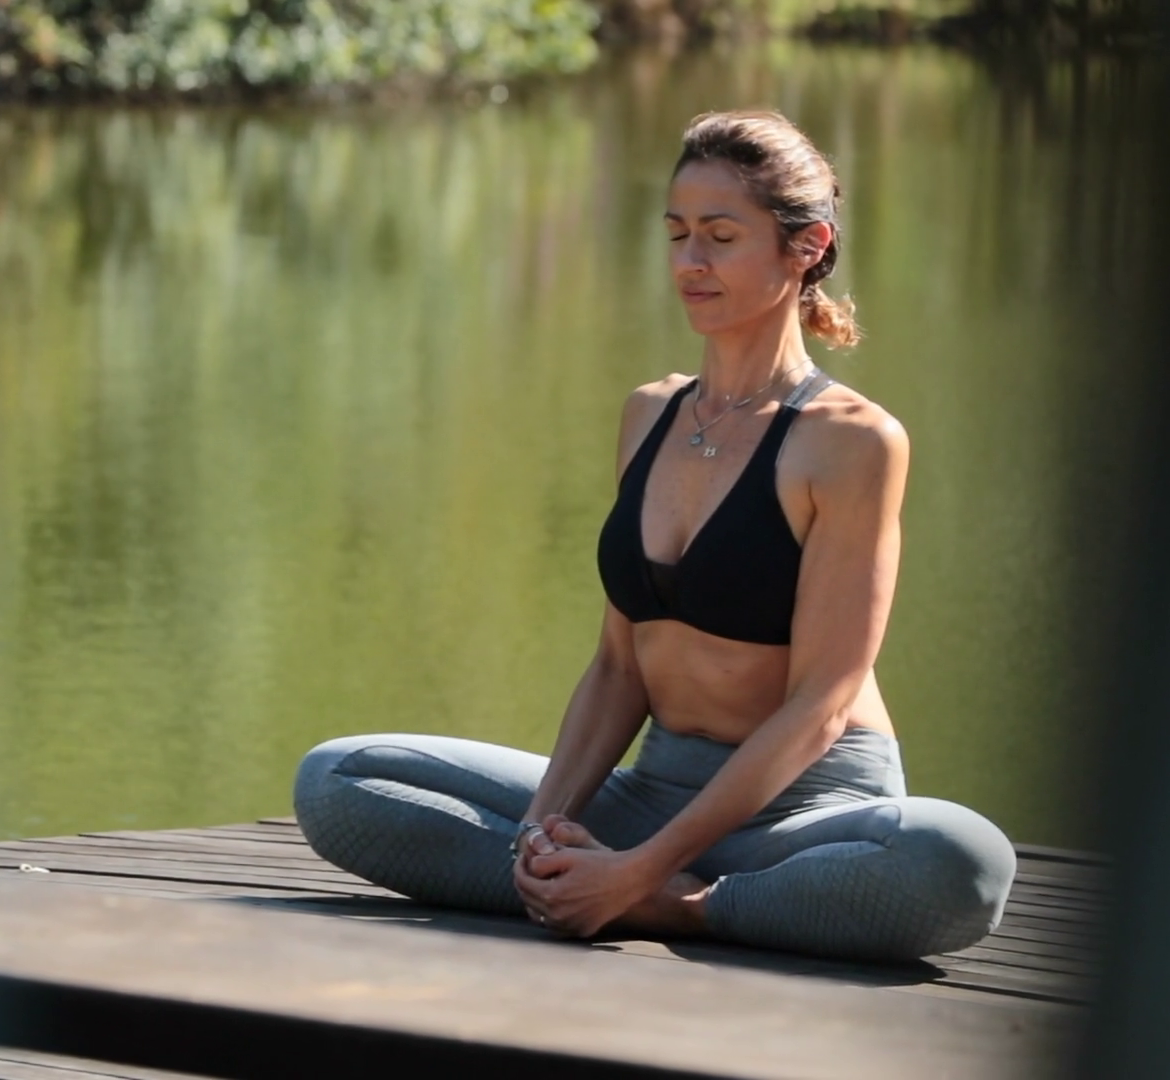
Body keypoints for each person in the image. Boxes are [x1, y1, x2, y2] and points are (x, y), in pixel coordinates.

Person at [292, 110, 1015, 961]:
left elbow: (822, 704)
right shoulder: (650, 415)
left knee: (961, 862)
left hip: (806, 811)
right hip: (653, 792)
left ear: (807, 245)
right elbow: (617, 668)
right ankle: (578, 883)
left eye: (720, 237)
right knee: (338, 779)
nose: (689, 262)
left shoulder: (851, 442)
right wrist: (535, 836)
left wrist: (646, 872)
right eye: (677, 234)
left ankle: (687, 906)